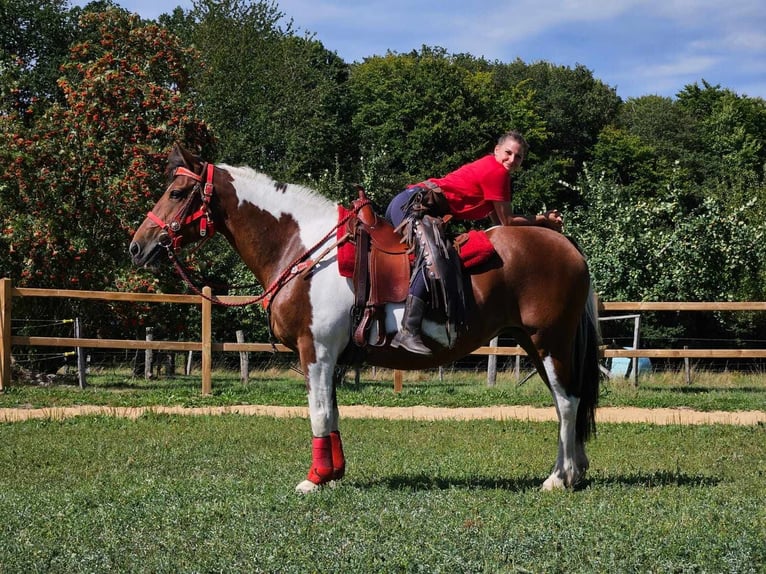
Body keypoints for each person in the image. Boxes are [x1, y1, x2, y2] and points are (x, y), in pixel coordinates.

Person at [385, 130, 563, 355]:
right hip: (413, 205)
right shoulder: (497, 172)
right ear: (496, 151)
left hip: (410, 202)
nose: (511, 160)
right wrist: (543, 219)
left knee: (437, 253)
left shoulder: (494, 172)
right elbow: (508, 221)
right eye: (508, 153)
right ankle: (408, 331)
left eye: (518, 157)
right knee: (433, 256)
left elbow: (497, 223)